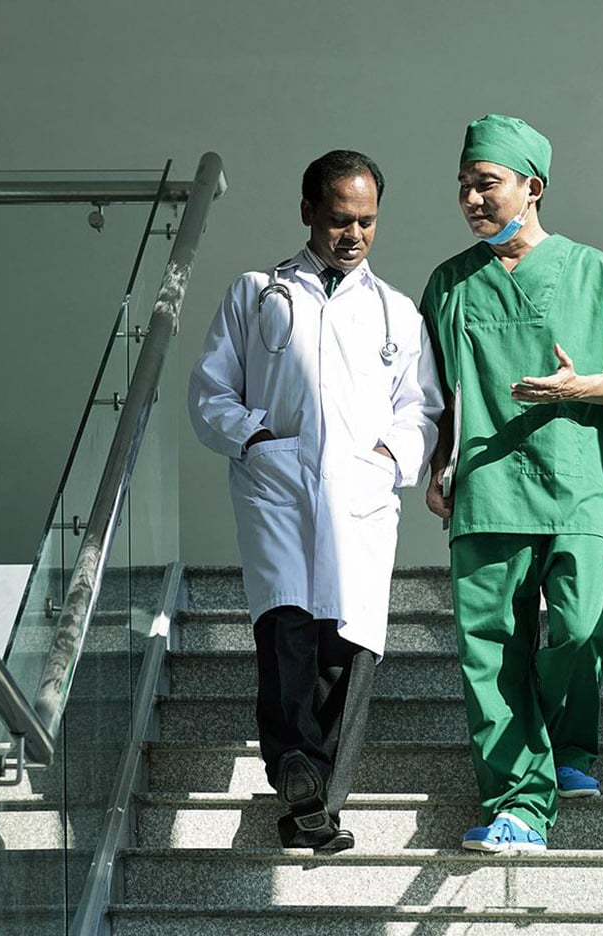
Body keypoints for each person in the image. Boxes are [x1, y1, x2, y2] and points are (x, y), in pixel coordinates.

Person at [420, 115, 603, 854]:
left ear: (532, 187)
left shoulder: (595, 272)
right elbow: (433, 394)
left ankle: (567, 744)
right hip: (486, 487)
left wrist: (578, 387)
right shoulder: (448, 284)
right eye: (464, 185)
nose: (471, 197)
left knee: (581, 619)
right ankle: (518, 804)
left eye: (486, 183)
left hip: (576, 481)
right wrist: (438, 463)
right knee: (491, 648)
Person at [189, 150, 442, 853]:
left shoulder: (397, 312)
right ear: (307, 212)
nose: (353, 235)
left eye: (366, 222)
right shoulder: (256, 293)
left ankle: (314, 797)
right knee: (286, 631)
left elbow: (420, 409)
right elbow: (210, 391)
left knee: (348, 648)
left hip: (360, 499)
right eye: (339, 219)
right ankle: (297, 773)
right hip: (279, 488)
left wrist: (391, 459)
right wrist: (256, 436)